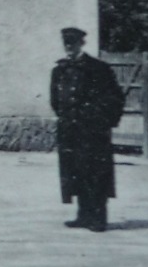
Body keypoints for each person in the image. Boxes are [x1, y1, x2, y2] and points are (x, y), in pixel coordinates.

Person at [50, 26, 126, 232]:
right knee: (75, 172)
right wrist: (67, 118)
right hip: (70, 129)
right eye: (66, 43)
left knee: (96, 172)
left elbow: (114, 98)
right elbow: (55, 100)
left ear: (81, 44)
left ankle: (99, 217)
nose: (69, 47)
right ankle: (83, 215)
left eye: (73, 43)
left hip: (92, 131)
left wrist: (99, 121)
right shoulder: (60, 69)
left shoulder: (98, 68)